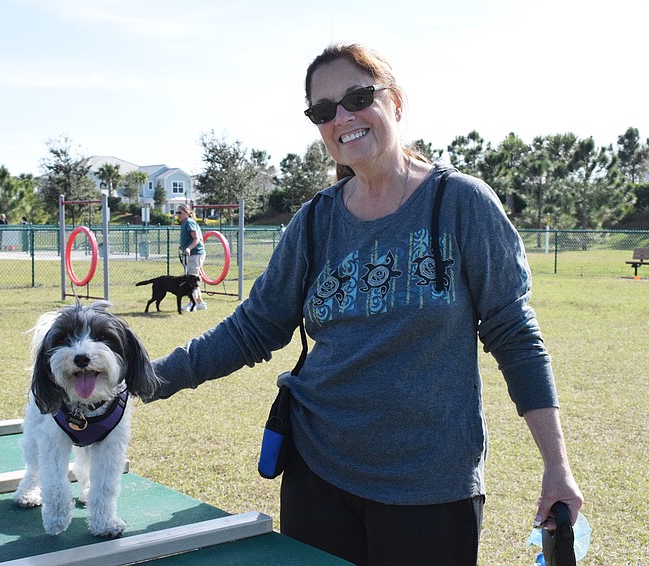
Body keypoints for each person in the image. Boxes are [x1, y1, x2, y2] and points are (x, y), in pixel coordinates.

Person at [149, 43, 583, 565]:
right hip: (317, 474)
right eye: (323, 110)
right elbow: (253, 328)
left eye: (358, 97)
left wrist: (556, 464)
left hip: (430, 486)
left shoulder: (461, 204)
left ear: (395, 102)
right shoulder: (313, 222)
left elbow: (514, 334)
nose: (343, 118)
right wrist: (145, 378)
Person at [175, 204, 207, 310]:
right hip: (191, 254)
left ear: (187, 213)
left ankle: (192, 304)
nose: (178, 215)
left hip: (195, 254)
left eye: (180, 212)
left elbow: (196, 239)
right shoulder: (185, 223)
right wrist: (183, 246)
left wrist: (188, 248)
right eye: (177, 213)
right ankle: (200, 303)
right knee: (192, 279)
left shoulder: (189, 222)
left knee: (191, 281)